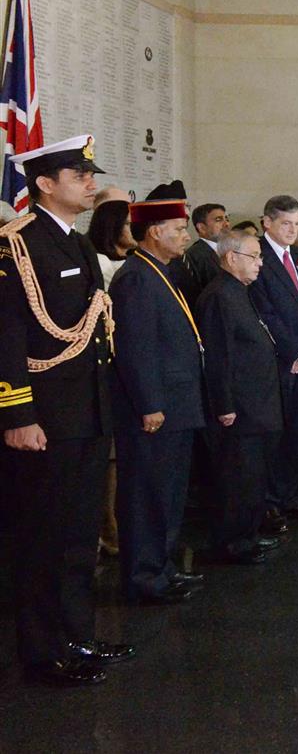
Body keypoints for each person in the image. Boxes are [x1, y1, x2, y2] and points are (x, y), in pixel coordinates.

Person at [0, 135, 128, 686]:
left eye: (90, 174)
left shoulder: (74, 243)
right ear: (45, 184)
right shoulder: (16, 246)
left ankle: (76, 635)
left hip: (87, 415)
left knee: (79, 538)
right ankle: (41, 651)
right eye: (79, 175)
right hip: (46, 419)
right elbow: (7, 337)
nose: (90, 181)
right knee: (42, 538)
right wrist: (17, 415)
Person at [109, 196, 206, 605]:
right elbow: (136, 348)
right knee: (146, 493)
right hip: (155, 409)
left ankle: (162, 568)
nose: (185, 236)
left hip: (177, 403)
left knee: (167, 493)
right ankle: (143, 577)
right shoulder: (136, 277)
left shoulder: (161, 272)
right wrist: (150, 403)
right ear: (154, 232)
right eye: (179, 229)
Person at [195, 231, 282, 565]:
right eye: (255, 256)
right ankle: (231, 543)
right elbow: (217, 355)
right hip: (240, 408)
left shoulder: (239, 291)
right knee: (236, 478)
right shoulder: (219, 296)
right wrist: (225, 404)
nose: (261, 263)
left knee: (253, 476)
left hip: (256, 404)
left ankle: (248, 535)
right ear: (231, 258)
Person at [250, 195, 298, 535]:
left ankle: (295, 495)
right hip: (279, 362)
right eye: (286, 224)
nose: (292, 230)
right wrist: (295, 350)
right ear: (267, 222)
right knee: (274, 436)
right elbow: (263, 311)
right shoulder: (256, 257)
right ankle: (270, 502)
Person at [85, 198, 135, 558]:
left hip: (127, 371)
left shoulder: (132, 263)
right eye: (129, 223)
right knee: (109, 464)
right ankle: (109, 530)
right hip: (106, 369)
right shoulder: (100, 264)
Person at [183, 202, 230, 305]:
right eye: (218, 220)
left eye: (226, 219)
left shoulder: (231, 250)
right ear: (202, 228)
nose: (226, 224)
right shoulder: (194, 255)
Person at [88, 199, 134, 286]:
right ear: (112, 226)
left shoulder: (134, 260)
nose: (137, 229)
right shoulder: (101, 263)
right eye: (129, 224)